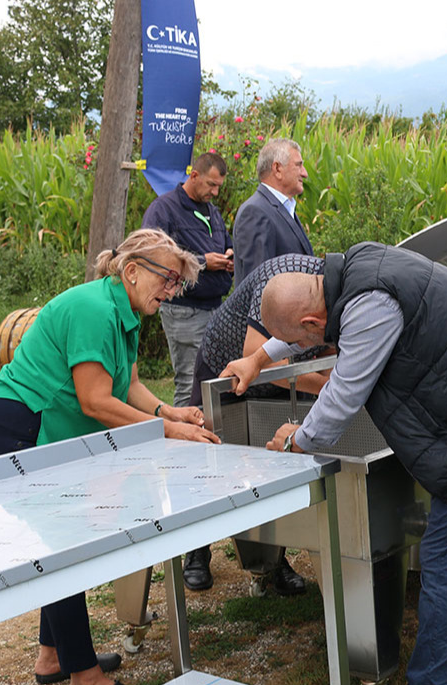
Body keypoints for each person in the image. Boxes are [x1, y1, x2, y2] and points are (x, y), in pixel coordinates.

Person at [222, 242, 447, 685]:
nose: (304, 345)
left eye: (301, 340)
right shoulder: (354, 266)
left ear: (316, 326)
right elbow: (304, 315)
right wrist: (260, 358)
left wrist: (297, 440)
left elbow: (342, 399)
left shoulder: (366, 311)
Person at [0, 229, 219, 685]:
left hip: (34, 427)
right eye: (167, 278)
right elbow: (94, 401)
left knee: (62, 541)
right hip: (16, 424)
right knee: (62, 551)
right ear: (131, 271)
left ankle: (52, 656)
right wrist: (165, 432)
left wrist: (170, 413)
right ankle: (85, 683)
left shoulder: (120, 312)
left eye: (175, 283)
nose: (170, 291)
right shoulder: (94, 309)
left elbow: (127, 384)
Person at [177, 254, 332, 595]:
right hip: (226, 371)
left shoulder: (330, 296)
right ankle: (197, 552)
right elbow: (262, 361)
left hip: (287, 379)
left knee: (276, 465)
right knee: (210, 461)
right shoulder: (279, 281)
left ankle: (274, 563)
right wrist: (326, 387)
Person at [141, 151, 234, 407]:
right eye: (211, 185)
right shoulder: (164, 209)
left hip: (215, 309)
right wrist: (203, 262)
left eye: (219, 187)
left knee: (213, 380)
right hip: (183, 311)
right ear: (194, 175)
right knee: (190, 383)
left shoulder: (212, 212)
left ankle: (208, 437)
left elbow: (226, 243)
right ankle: (181, 439)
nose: (215, 192)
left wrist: (230, 256)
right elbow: (151, 255)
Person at [232, 138, 312, 287]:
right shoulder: (255, 212)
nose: (305, 173)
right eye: (298, 165)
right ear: (277, 169)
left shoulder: (282, 209)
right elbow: (257, 287)